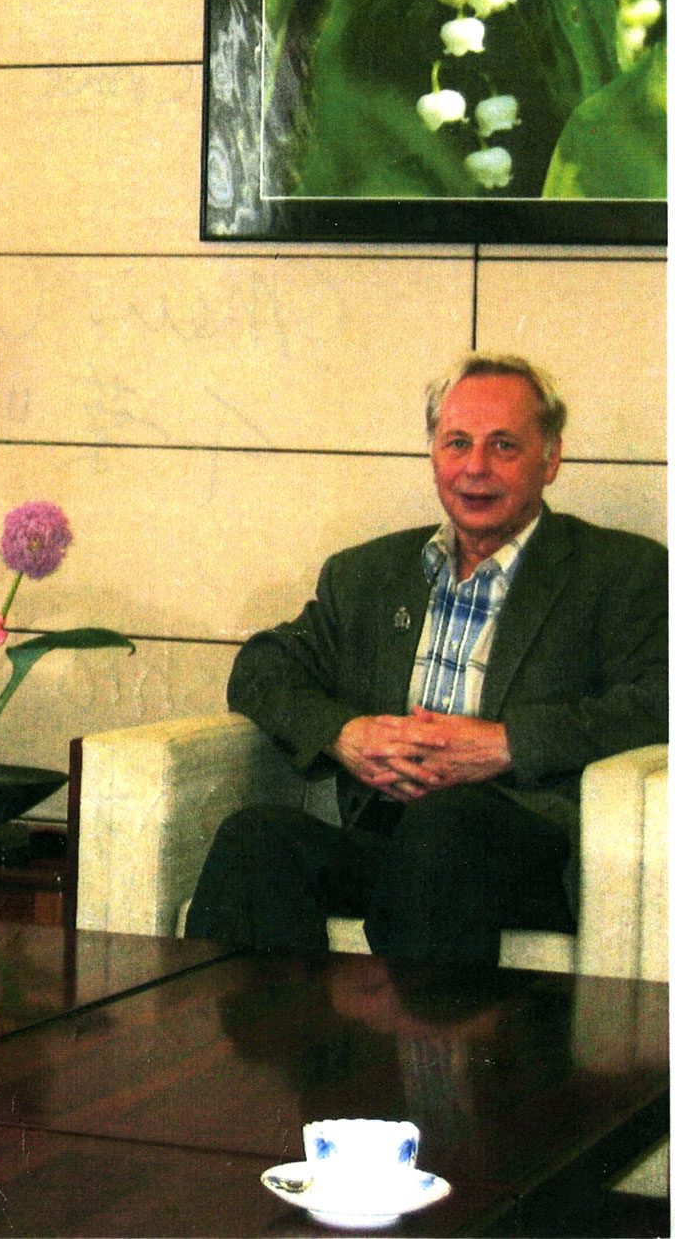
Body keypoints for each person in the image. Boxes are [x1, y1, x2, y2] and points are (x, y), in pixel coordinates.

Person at [186, 353, 667, 964]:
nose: (476, 468)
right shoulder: (369, 574)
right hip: (387, 838)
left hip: (519, 852)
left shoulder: (620, 572)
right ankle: (281, 1026)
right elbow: (262, 668)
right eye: (457, 443)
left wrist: (507, 745)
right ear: (434, 454)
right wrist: (343, 734)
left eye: (504, 446)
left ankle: (414, 1029)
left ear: (550, 459)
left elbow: (660, 699)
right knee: (256, 837)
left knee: (446, 826)